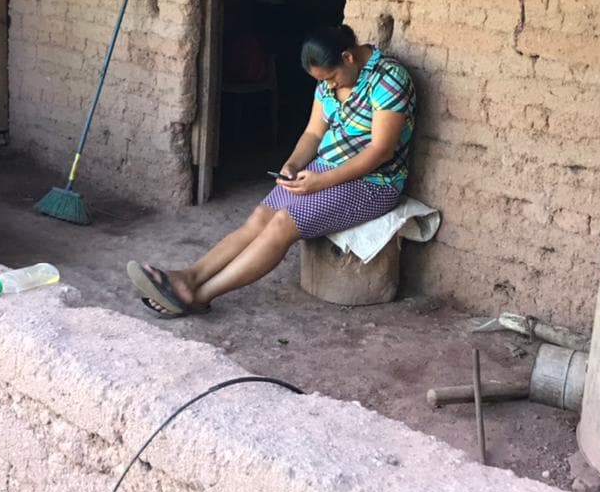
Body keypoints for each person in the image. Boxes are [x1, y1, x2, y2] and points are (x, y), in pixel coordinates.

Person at [127, 24, 416, 317]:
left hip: (374, 182)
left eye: (331, 78)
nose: (328, 86)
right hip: (325, 168)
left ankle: (199, 296)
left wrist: (322, 181)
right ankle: (189, 277)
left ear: (348, 58)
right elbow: (313, 134)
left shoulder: (389, 79)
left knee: (282, 224)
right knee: (260, 217)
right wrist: (292, 165)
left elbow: (381, 151)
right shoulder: (328, 81)